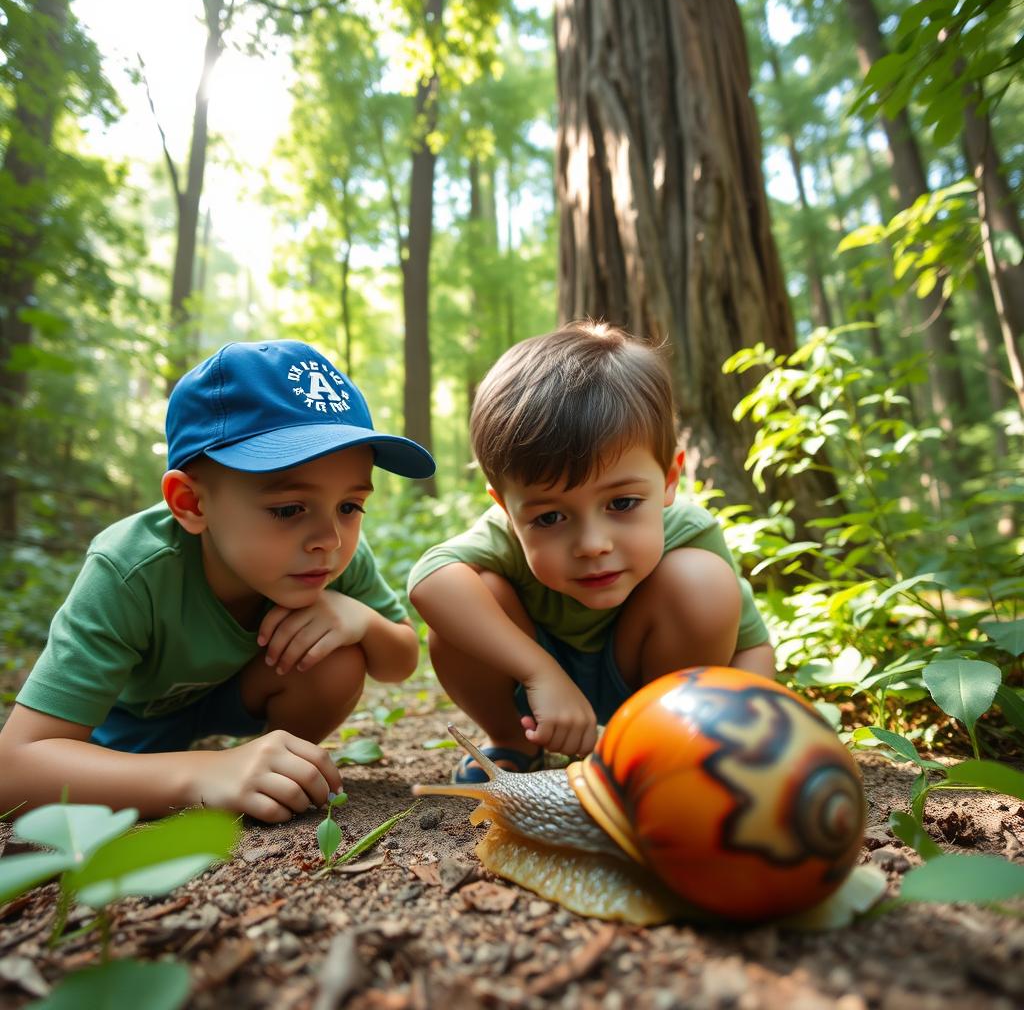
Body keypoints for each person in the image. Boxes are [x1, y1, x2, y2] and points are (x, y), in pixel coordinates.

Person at [0, 339, 435, 822]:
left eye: (350, 506)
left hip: (235, 699)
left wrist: (361, 620)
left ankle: (274, 768)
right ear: (191, 503)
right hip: (124, 731)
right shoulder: (129, 569)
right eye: (289, 508)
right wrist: (202, 774)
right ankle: (227, 773)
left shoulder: (335, 553)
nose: (329, 538)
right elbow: (13, 766)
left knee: (339, 660)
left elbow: (400, 660)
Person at [408, 321, 774, 782]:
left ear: (668, 479)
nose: (592, 545)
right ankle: (513, 744)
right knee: (463, 607)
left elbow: (752, 648)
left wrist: (754, 731)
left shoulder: (690, 531)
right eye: (549, 518)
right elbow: (428, 579)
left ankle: (661, 745)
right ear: (505, 506)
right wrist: (540, 673)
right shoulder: (502, 537)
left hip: (653, 680)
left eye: (621, 503)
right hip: (535, 701)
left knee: (703, 581)